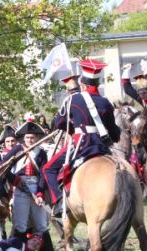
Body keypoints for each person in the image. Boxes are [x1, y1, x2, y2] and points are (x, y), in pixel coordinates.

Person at [43, 59, 121, 216]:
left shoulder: (73, 100)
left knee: (48, 168)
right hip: (101, 146)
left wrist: (74, 125)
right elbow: (115, 135)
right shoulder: (106, 103)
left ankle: (59, 202)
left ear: (83, 85)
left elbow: (58, 124)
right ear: (97, 84)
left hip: (81, 145)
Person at [3, 120, 57, 251]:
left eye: (32, 137)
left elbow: (43, 175)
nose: (30, 140)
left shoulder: (41, 153)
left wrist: (39, 193)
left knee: (41, 224)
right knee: (20, 224)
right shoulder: (17, 149)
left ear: (37, 138)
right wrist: (14, 180)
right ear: (23, 138)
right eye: (27, 138)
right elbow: (2, 167)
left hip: (35, 186)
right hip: (20, 187)